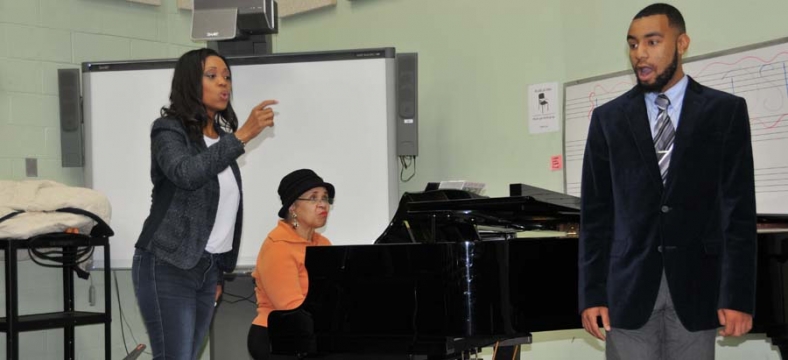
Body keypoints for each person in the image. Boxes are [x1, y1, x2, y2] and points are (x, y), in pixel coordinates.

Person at [578, 3, 757, 360]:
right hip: (626, 293)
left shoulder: (726, 112)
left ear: (682, 43)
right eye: (632, 44)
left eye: (652, 41)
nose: (640, 54)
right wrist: (592, 294)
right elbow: (596, 215)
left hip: (698, 290)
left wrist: (737, 297)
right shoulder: (607, 119)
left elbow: (738, 212)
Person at [131, 48, 278, 360]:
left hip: (207, 269)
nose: (223, 83)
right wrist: (242, 137)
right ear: (190, 83)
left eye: (227, 77)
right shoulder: (169, 130)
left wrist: (218, 272)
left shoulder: (221, 139)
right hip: (167, 263)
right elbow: (186, 174)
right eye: (212, 76)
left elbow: (222, 213)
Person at [247, 169, 335, 360]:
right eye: (313, 198)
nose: (323, 205)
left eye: (325, 198)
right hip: (278, 338)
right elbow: (290, 308)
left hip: (313, 334)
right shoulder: (278, 246)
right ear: (293, 207)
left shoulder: (323, 244)